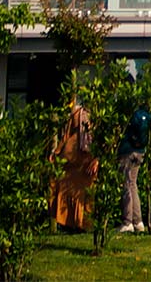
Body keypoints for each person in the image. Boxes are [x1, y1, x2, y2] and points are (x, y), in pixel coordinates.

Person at [49, 97, 97, 232]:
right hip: (71, 160)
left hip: (87, 161)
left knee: (85, 192)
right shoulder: (76, 113)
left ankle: (83, 223)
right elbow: (66, 135)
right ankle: (68, 223)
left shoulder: (98, 115)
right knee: (64, 186)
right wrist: (56, 152)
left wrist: (97, 159)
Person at [119, 105, 151, 235]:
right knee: (133, 184)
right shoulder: (143, 113)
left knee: (127, 184)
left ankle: (127, 222)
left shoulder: (127, 111)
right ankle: (138, 221)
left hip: (127, 151)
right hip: (140, 152)